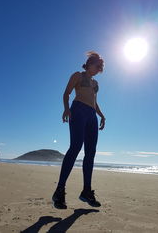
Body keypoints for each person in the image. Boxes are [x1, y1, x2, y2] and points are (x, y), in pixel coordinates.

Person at [52, 51, 106, 209]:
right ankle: (59, 191)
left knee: (91, 153)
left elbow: (94, 103)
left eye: (100, 68)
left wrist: (102, 116)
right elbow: (66, 93)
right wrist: (66, 109)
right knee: (75, 147)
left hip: (91, 116)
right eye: (97, 66)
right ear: (89, 64)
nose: (98, 69)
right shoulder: (77, 75)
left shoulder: (95, 84)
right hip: (78, 111)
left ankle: (86, 192)